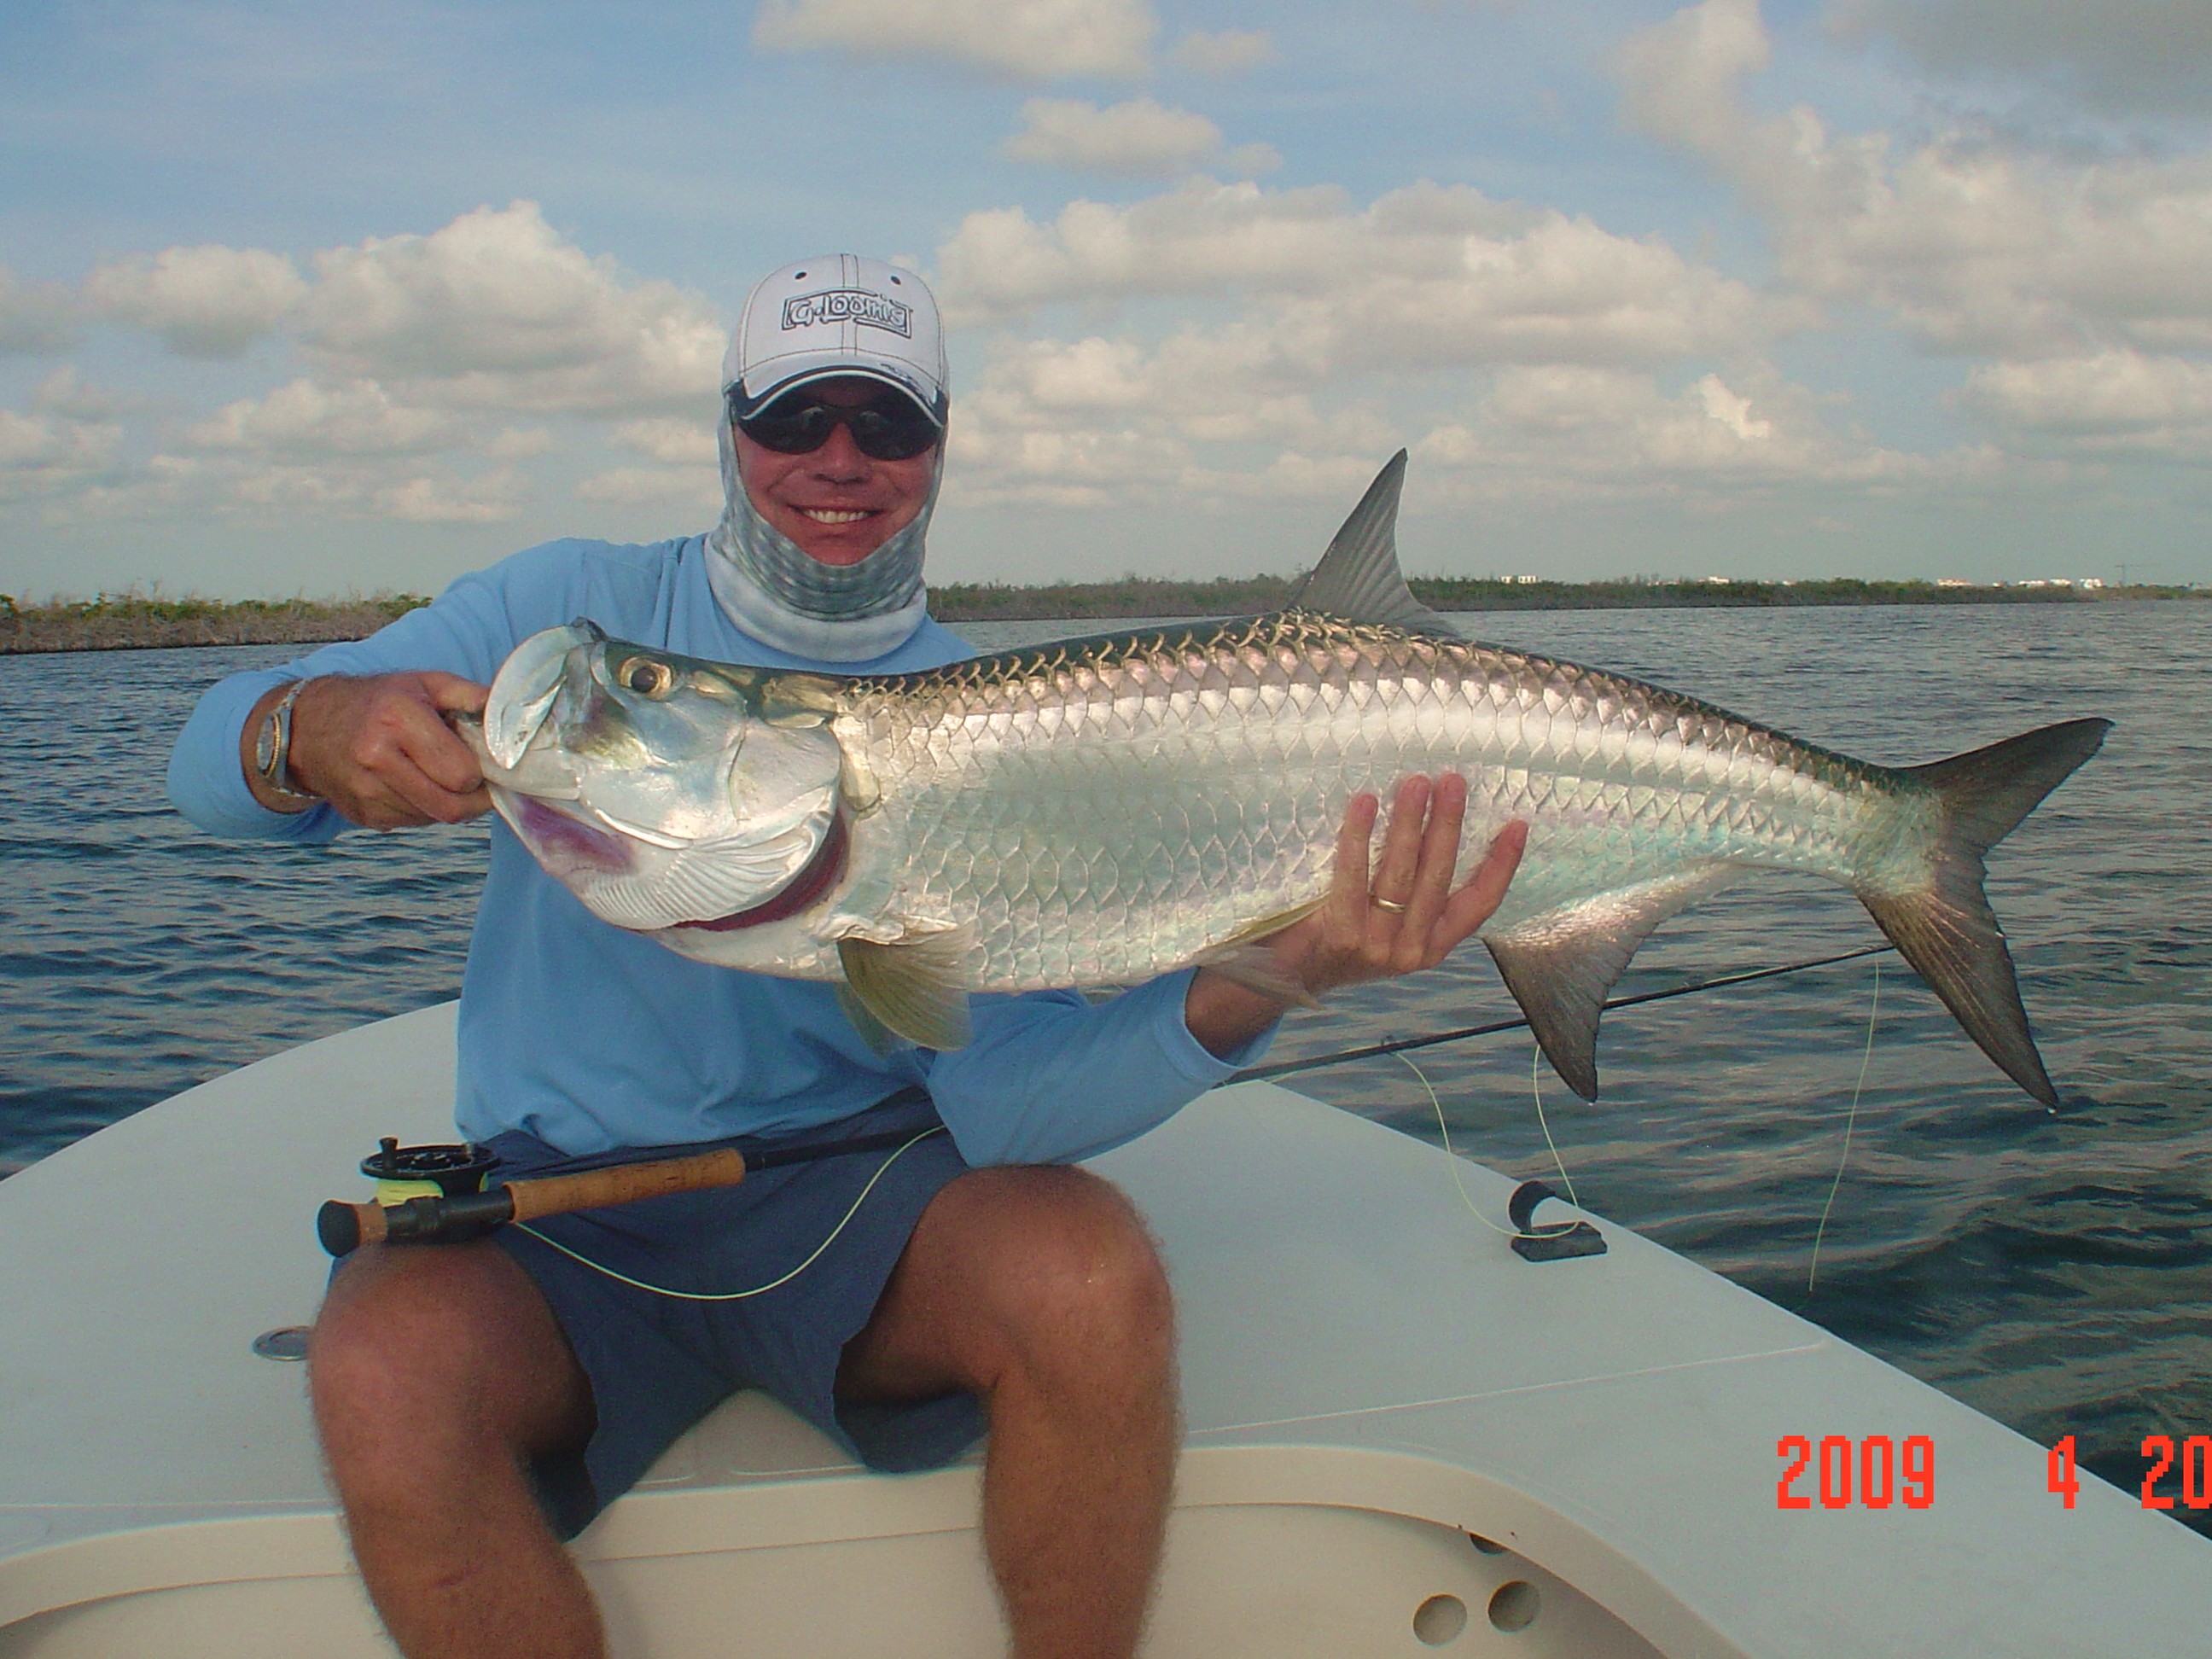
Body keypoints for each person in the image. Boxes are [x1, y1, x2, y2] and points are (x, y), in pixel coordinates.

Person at [166, 253, 1526, 1659]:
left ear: (937, 449)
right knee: (380, 1364)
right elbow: (206, 769)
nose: (837, 459)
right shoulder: (571, 625)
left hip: (866, 1203)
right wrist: (308, 724)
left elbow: (1008, 1107)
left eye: (886, 425)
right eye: (793, 417)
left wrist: (1278, 969)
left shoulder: (999, 734)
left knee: (1089, 1274)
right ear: (730, 426)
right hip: (553, 1217)